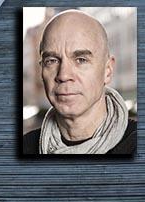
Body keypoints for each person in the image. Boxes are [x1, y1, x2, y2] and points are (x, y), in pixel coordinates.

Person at [23, 10, 136, 154]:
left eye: (81, 60)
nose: (63, 75)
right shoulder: (25, 148)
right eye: (51, 61)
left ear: (107, 71)